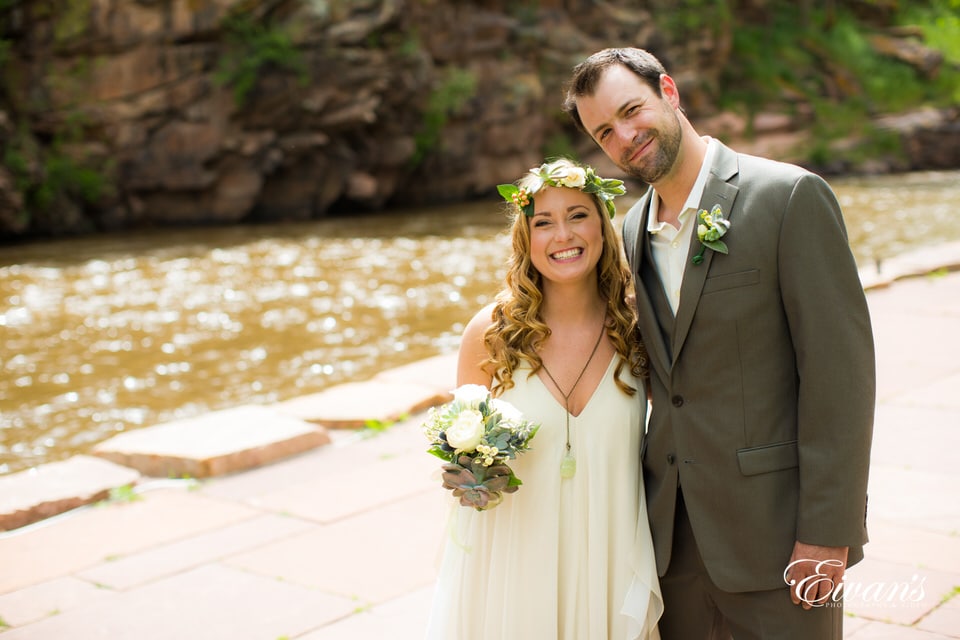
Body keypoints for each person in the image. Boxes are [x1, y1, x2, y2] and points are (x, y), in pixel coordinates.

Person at [561, 47, 876, 639]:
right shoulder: (629, 229)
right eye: (605, 131)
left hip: (778, 536)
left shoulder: (788, 198)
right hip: (671, 545)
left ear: (670, 93)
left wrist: (828, 532)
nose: (625, 137)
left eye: (632, 111)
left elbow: (842, 378)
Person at [425, 157, 662, 639]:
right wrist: (467, 471)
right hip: (514, 564)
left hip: (610, 554)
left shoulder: (639, 327)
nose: (563, 235)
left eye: (578, 215)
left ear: (602, 224)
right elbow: (461, 467)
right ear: (525, 238)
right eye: (544, 222)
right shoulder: (491, 333)